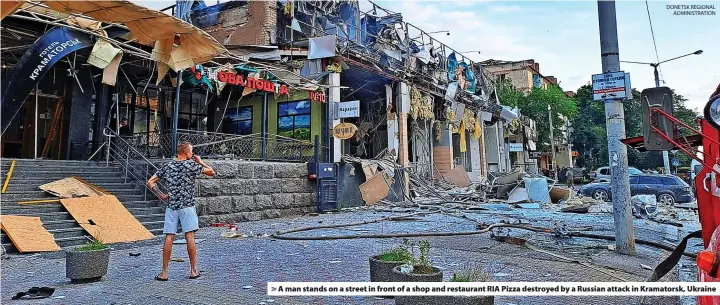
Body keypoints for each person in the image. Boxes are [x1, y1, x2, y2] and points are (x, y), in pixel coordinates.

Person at [147, 142, 215, 281]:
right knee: (189, 236)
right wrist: (201, 162)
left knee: (169, 237)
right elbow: (212, 172)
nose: (192, 154)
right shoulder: (191, 165)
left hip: (172, 206)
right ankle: (193, 270)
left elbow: (150, 182)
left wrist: (162, 195)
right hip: (187, 206)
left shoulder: (167, 166)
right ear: (185, 152)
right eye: (191, 151)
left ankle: (164, 273)